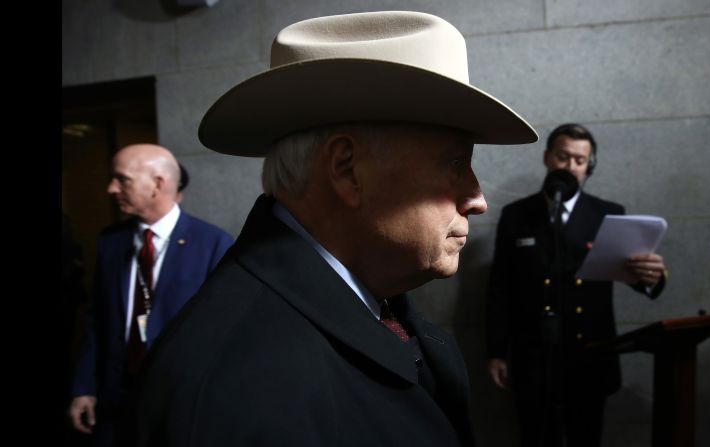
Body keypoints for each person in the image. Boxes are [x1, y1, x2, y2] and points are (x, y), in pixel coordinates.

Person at [121, 11, 538, 447]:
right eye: (455, 162)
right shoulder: (234, 391)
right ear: (347, 170)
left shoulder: (379, 307)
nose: (478, 198)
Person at [485, 123, 668, 447]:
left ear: (589, 167)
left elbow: (633, 274)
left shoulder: (607, 214)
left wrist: (653, 276)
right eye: (562, 156)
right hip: (533, 354)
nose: (570, 167)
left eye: (579, 161)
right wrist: (497, 351)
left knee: (587, 437)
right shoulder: (517, 215)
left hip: (589, 355)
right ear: (547, 157)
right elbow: (501, 287)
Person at [68, 144, 234, 446]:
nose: (110, 188)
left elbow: (224, 332)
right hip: (114, 405)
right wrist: (84, 386)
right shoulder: (111, 241)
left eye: (122, 179)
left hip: (178, 404)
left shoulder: (212, 243)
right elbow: (98, 320)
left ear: (158, 183)